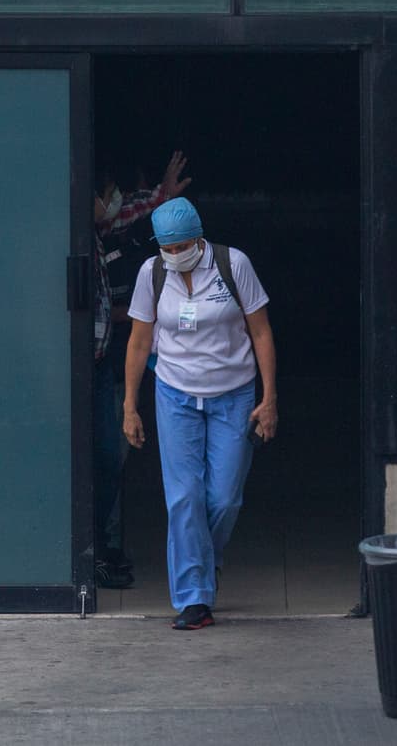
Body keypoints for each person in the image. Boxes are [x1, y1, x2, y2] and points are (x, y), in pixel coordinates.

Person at [122, 198, 278, 629]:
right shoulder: (151, 275)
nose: (175, 256)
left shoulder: (233, 265)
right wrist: (130, 405)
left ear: (199, 237)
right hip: (175, 396)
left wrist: (270, 398)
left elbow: (261, 332)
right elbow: (138, 342)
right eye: (167, 249)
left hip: (234, 395)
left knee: (224, 498)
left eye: (182, 246)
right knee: (184, 496)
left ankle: (204, 560)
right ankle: (194, 598)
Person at [93, 152, 191, 589]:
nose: (115, 204)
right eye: (108, 196)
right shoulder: (77, 229)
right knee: (99, 458)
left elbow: (130, 211)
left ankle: (101, 547)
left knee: (110, 458)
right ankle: (92, 549)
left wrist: (163, 196)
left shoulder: (110, 236)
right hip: (77, 368)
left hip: (105, 366)